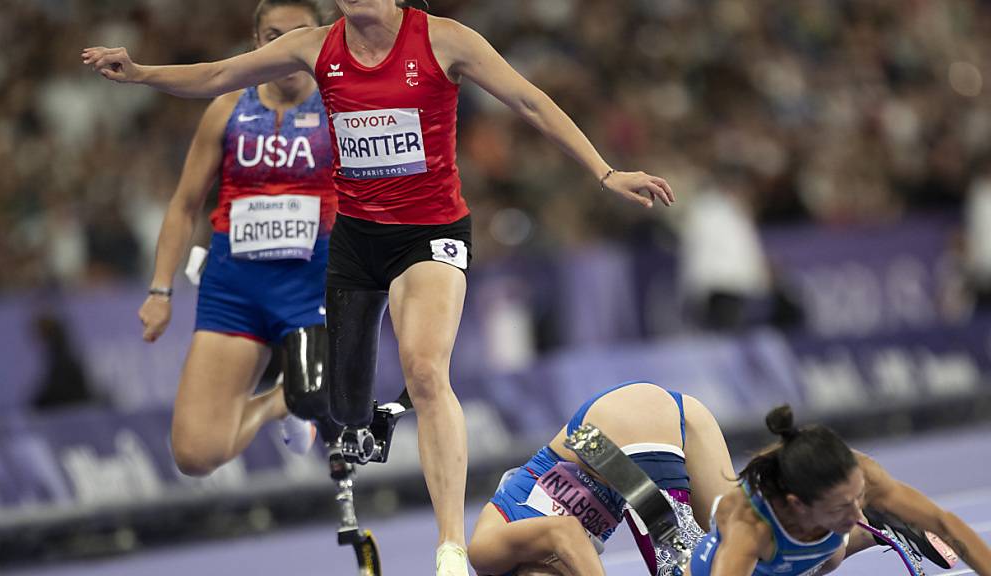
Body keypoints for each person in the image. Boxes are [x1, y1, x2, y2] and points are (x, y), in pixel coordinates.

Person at [83, 3, 675, 573]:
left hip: (431, 235)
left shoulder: (445, 39)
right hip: (356, 244)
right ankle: (332, 406)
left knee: (424, 368)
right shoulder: (315, 48)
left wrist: (604, 171)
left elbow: (528, 99)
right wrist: (139, 73)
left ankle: (449, 547)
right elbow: (217, 74)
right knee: (342, 408)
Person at [134, 0, 341, 477]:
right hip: (235, 288)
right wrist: (160, 290)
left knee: (316, 395)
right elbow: (185, 204)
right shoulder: (228, 108)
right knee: (195, 454)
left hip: (311, 287)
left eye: (299, 35)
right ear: (255, 43)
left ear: (322, 39)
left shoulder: (340, 106)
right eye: (273, 37)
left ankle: (298, 399)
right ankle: (278, 404)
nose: (286, 48)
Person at [683, 405, 991, 575]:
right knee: (827, 558)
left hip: (809, 546)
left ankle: (872, 528)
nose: (857, 512)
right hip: (725, 569)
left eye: (858, 499)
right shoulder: (749, 528)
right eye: (840, 506)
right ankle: (866, 533)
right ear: (798, 504)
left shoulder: (860, 477)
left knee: (831, 553)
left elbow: (943, 523)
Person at [468, 381, 736, 576]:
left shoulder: (485, 553)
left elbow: (565, 531)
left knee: (677, 568)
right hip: (664, 419)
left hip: (598, 440)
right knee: (740, 545)